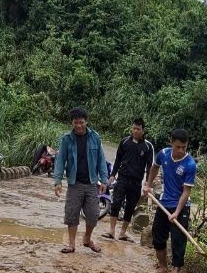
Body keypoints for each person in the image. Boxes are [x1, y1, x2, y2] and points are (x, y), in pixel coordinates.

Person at [142, 128, 196, 273]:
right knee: (158, 237)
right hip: (163, 202)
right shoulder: (164, 154)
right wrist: (148, 184)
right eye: (178, 146)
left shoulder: (190, 164)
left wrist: (177, 213)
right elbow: (154, 167)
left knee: (179, 241)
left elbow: (186, 192)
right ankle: (163, 269)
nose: (181, 150)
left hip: (181, 206)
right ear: (171, 142)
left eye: (184, 147)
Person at [53, 107, 108, 254]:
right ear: (72, 122)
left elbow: (101, 160)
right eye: (75, 122)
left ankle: (87, 239)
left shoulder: (95, 137)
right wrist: (57, 181)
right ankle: (71, 244)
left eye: (81, 122)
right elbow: (60, 161)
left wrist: (104, 180)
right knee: (72, 214)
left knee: (93, 214)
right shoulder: (66, 139)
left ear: (86, 122)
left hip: (91, 183)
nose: (78, 126)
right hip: (74, 183)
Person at [102, 118, 154, 242]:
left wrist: (148, 182)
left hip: (136, 181)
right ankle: (111, 230)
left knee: (131, 207)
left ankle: (122, 232)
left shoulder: (148, 146)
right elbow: (118, 159)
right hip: (123, 178)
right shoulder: (124, 142)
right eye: (134, 128)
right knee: (116, 203)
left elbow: (149, 166)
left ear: (143, 130)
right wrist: (113, 174)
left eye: (138, 129)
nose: (135, 131)